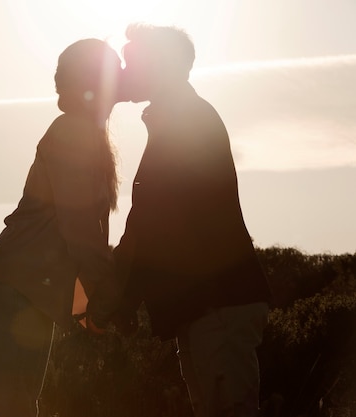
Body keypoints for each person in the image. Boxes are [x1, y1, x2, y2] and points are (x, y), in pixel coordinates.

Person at [113, 24, 274, 417]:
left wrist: (122, 296)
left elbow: (154, 221)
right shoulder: (176, 118)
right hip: (207, 304)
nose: (121, 72)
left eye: (131, 63)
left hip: (216, 303)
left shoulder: (185, 122)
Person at [0, 38, 123, 417]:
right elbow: (80, 224)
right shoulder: (73, 130)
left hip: (29, 290)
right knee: (10, 406)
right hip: (13, 286)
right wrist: (105, 292)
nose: (122, 79)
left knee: (21, 406)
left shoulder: (87, 132)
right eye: (114, 72)